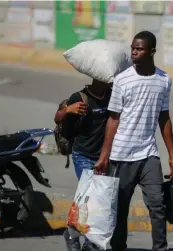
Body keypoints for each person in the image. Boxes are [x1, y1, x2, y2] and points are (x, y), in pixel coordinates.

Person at [93, 31, 173, 251]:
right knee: (120, 209)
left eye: (139, 49)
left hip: (148, 154)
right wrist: (104, 157)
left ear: (152, 52)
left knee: (157, 205)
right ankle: (118, 247)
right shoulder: (122, 80)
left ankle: (160, 248)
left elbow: (164, 118)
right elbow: (113, 120)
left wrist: (172, 154)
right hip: (121, 155)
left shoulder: (164, 80)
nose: (134, 52)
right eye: (132, 48)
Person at [54, 79, 111, 251]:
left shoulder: (111, 95)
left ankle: (80, 237)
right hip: (83, 155)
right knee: (90, 198)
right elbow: (57, 118)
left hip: (104, 156)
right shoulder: (79, 97)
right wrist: (67, 110)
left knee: (95, 200)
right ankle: (82, 239)